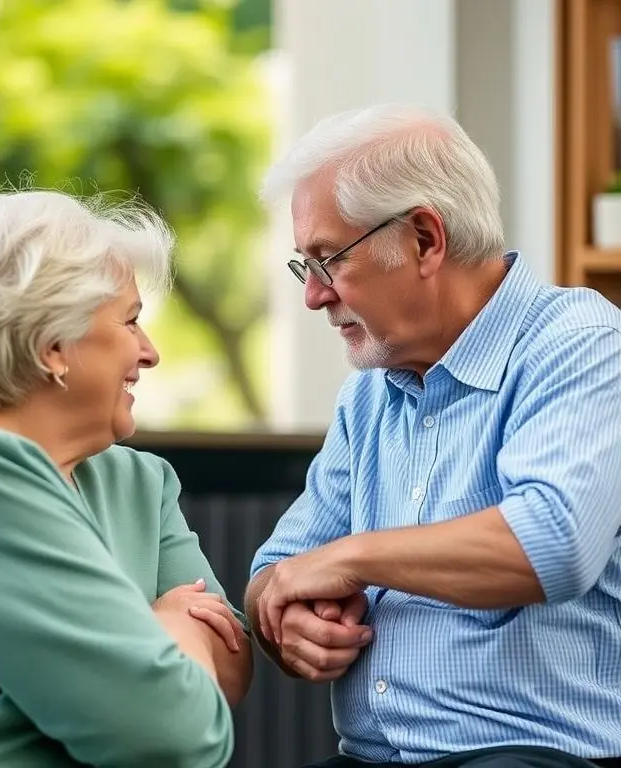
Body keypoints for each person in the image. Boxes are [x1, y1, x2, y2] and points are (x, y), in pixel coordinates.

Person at [244, 104, 621, 768]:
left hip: (530, 753)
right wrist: (285, 622)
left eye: (328, 260)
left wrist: (353, 557)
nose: (314, 296)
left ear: (424, 238)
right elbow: (282, 566)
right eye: (304, 267)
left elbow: (553, 543)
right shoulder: (370, 388)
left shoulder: (580, 343)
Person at [0, 190, 252, 768]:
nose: (151, 353)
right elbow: (175, 732)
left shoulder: (138, 481)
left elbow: (232, 667)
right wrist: (165, 624)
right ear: (54, 344)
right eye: (132, 321)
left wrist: (136, 666)